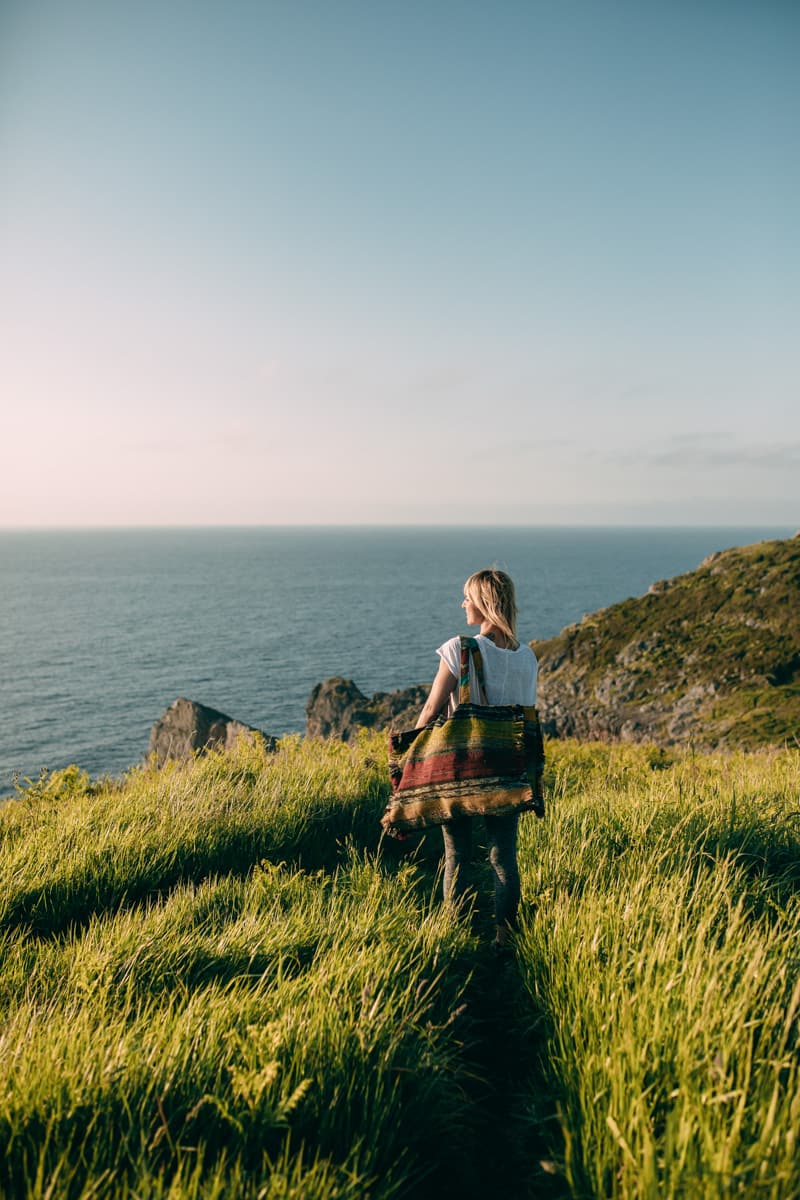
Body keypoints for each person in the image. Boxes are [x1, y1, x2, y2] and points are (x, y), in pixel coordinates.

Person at [414, 568, 539, 951]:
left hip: (463, 769)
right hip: (508, 770)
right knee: (504, 857)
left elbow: (432, 711)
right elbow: (527, 718)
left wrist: (411, 759)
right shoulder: (527, 657)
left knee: (459, 856)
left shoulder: (460, 649)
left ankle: (457, 936)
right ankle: (505, 940)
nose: (463, 603)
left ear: (484, 603)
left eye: (468, 597)